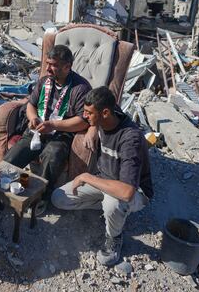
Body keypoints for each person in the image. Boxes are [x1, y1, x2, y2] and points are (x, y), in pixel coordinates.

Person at [51, 86, 153, 266]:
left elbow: (127, 191)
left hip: (134, 192)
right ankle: (110, 210)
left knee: (114, 202)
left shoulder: (130, 139)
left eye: (89, 113)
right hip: (105, 180)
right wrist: (92, 126)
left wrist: (87, 177)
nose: (85, 116)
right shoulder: (109, 115)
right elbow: (102, 107)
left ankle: (114, 238)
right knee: (59, 198)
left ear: (105, 113)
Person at [4, 45, 91, 207]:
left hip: (62, 134)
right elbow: (31, 104)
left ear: (67, 67)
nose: (48, 68)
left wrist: (54, 125)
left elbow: (83, 120)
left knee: (53, 153)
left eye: (53, 65)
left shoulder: (80, 88)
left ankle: (41, 198)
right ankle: (0, 191)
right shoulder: (45, 81)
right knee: (11, 159)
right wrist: (33, 117)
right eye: (47, 63)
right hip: (38, 129)